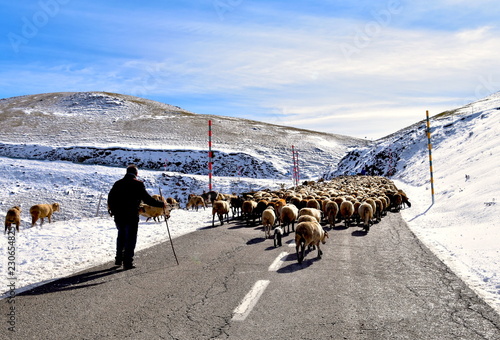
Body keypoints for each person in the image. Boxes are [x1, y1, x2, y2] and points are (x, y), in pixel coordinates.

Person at [107, 164, 166, 269]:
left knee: (121, 235)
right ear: (136, 173)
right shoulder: (138, 184)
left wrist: (113, 210)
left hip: (119, 215)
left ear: (126, 172)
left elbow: (110, 198)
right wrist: (161, 204)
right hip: (131, 215)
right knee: (130, 237)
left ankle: (118, 259)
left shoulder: (118, 183)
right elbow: (148, 199)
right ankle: (127, 262)